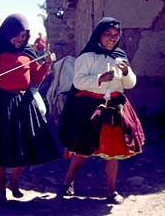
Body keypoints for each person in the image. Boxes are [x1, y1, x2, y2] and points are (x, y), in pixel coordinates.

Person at [0, 13, 62, 203]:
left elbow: (35, 80)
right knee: (0, 149)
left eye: (24, 36)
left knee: (24, 147)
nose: (20, 40)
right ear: (7, 33)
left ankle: (13, 181)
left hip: (22, 105)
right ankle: (0, 189)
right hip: (1, 107)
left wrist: (46, 66)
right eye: (16, 35)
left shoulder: (28, 54)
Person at [58, 17, 145, 204]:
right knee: (83, 150)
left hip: (115, 108)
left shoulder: (120, 56)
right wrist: (99, 78)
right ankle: (68, 182)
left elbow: (130, 84)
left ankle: (111, 191)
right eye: (108, 34)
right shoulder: (87, 56)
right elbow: (78, 81)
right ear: (99, 35)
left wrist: (126, 73)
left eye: (115, 35)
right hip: (91, 108)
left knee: (113, 153)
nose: (112, 38)